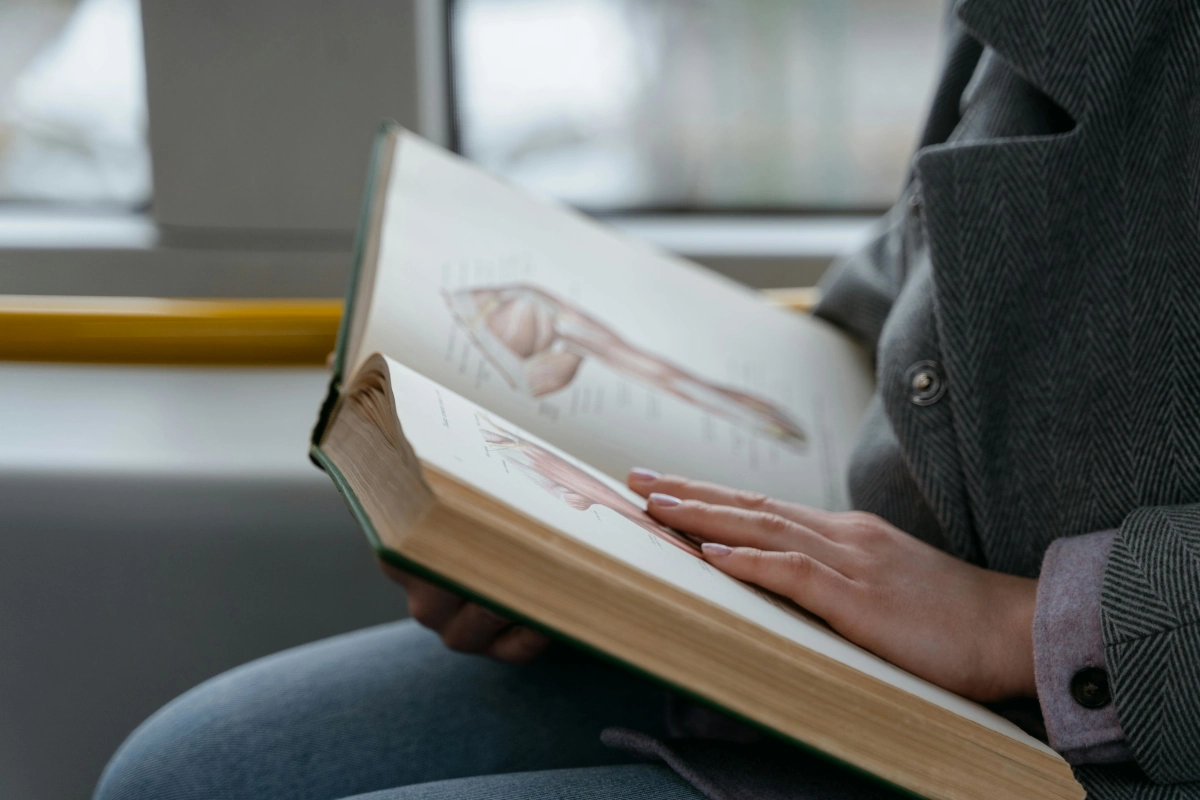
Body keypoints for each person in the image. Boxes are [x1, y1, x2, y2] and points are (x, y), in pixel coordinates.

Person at [94, 2, 1200, 799]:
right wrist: (581, 543)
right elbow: (948, 235)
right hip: (854, 616)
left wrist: (1028, 624)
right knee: (184, 769)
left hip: (1063, 731)